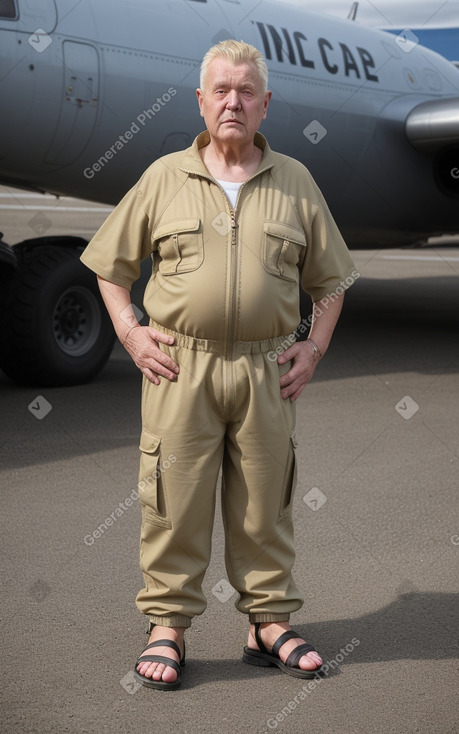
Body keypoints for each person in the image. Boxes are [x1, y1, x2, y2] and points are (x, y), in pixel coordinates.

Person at [80, 39, 357, 690]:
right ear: (201, 102)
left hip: (265, 369)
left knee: (265, 501)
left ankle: (267, 622)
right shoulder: (161, 178)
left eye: (246, 91)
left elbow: (333, 281)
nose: (233, 101)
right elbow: (108, 266)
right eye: (221, 91)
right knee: (172, 500)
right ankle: (168, 626)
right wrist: (129, 331)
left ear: (265, 104)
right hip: (181, 368)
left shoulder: (294, 182)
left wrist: (312, 347)